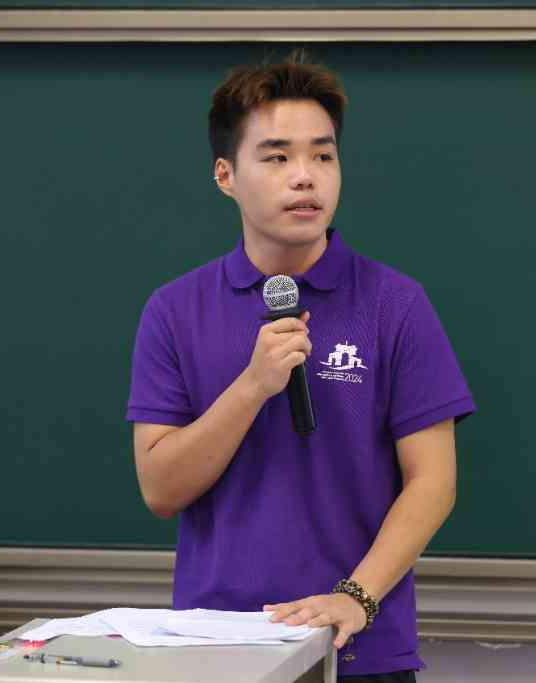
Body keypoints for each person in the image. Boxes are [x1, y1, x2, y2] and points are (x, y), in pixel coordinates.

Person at [126, 48, 476, 682]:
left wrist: (357, 596)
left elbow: (433, 480)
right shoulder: (174, 310)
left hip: (359, 646)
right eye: (277, 157)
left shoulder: (394, 303)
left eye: (323, 156)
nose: (305, 177)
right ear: (226, 175)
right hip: (217, 643)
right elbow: (161, 489)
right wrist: (252, 387)